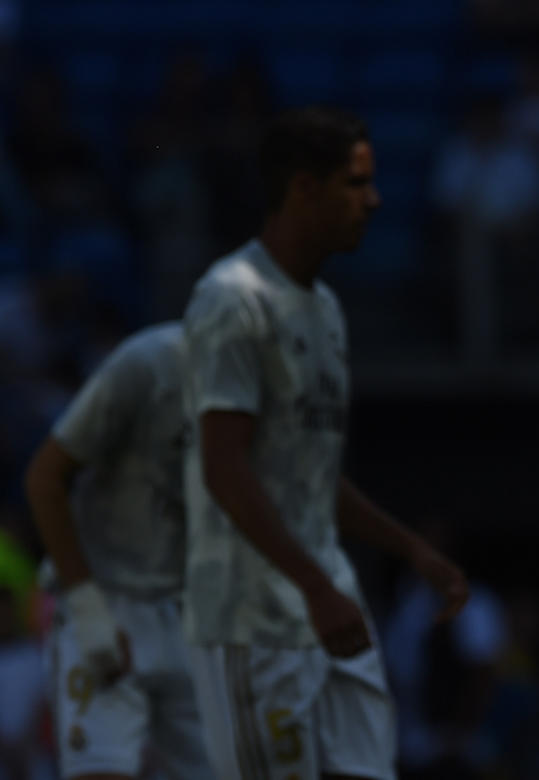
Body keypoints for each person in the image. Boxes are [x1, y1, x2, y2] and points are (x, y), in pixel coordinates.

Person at [180, 105, 470, 780]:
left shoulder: (325, 309)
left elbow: (304, 471)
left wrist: (409, 548)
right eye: (355, 183)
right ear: (304, 189)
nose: (373, 200)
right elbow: (223, 470)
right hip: (253, 616)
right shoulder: (231, 298)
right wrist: (314, 588)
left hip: (328, 604)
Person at [22, 320, 212, 779]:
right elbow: (44, 478)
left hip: (196, 607)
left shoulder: (275, 385)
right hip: (111, 599)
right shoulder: (146, 364)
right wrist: (88, 609)